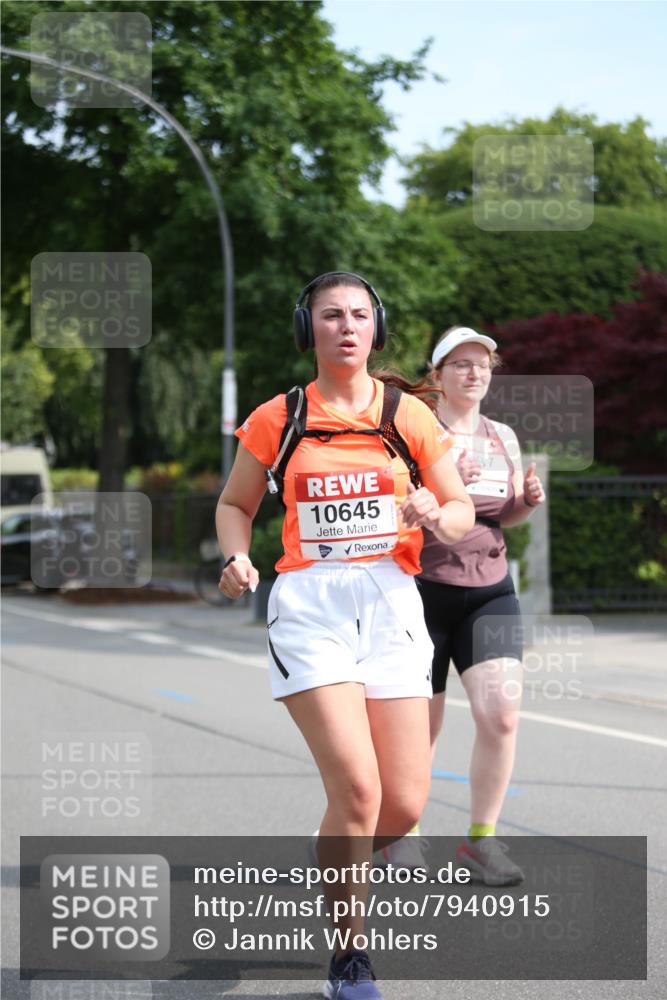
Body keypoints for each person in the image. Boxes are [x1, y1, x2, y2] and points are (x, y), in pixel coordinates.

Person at [215, 274, 474, 1000]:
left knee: (402, 806)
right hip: (311, 606)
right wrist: (235, 556)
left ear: (376, 328)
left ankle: (334, 848)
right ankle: (350, 957)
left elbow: (459, 511)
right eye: (331, 315)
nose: (347, 326)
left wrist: (435, 511)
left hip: (391, 603)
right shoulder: (280, 416)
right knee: (358, 790)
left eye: (360, 315)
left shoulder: (407, 417)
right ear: (310, 329)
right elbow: (235, 504)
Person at [409, 326, 546, 885]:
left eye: (483, 364)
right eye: (461, 364)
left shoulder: (502, 436)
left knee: (502, 715)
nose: (475, 373)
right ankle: (403, 835)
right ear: (437, 374)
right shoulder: (417, 430)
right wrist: (445, 486)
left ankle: (481, 842)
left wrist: (525, 502)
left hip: (489, 590)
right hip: (420, 591)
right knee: (421, 729)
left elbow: (502, 513)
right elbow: (394, 506)